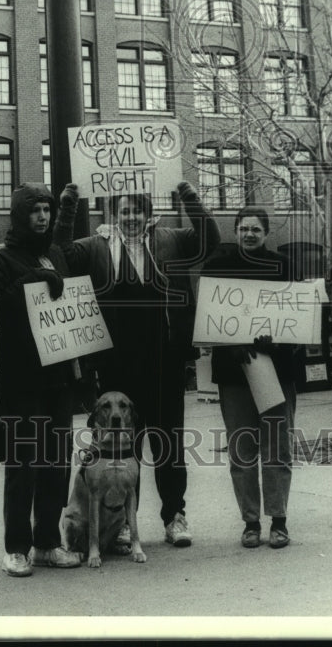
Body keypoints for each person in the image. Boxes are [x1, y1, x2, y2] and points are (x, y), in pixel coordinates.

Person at [54, 180, 220, 549]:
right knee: (121, 450)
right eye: (124, 210)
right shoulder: (96, 245)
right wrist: (67, 207)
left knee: (169, 444)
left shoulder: (171, 240)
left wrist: (190, 199)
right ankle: (121, 524)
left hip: (164, 361)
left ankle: (174, 516)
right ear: (115, 214)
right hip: (116, 366)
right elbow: (60, 252)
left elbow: (210, 239)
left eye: (137, 210)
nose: (131, 217)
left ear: (148, 215)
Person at [0, 182, 82, 577]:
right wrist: (37, 280)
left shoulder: (56, 253)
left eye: (47, 210)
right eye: (35, 211)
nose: (42, 217)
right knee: (23, 464)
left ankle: (46, 542)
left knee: (55, 464)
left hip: (58, 377)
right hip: (21, 380)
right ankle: (16, 547)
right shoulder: (1, 256)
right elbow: (2, 311)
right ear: (19, 214)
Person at [201, 206, 297, 550]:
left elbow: (296, 315)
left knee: (277, 448)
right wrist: (230, 345)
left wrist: (278, 339)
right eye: (244, 229)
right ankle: (251, 522)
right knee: (242, 450)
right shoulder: (218, 267)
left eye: (256, 229)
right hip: (235, 372)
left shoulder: (284, 266)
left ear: (266, 233)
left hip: (276, 369)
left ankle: (280, 520)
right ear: (236, 230)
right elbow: (209, 317)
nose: (250, 234)